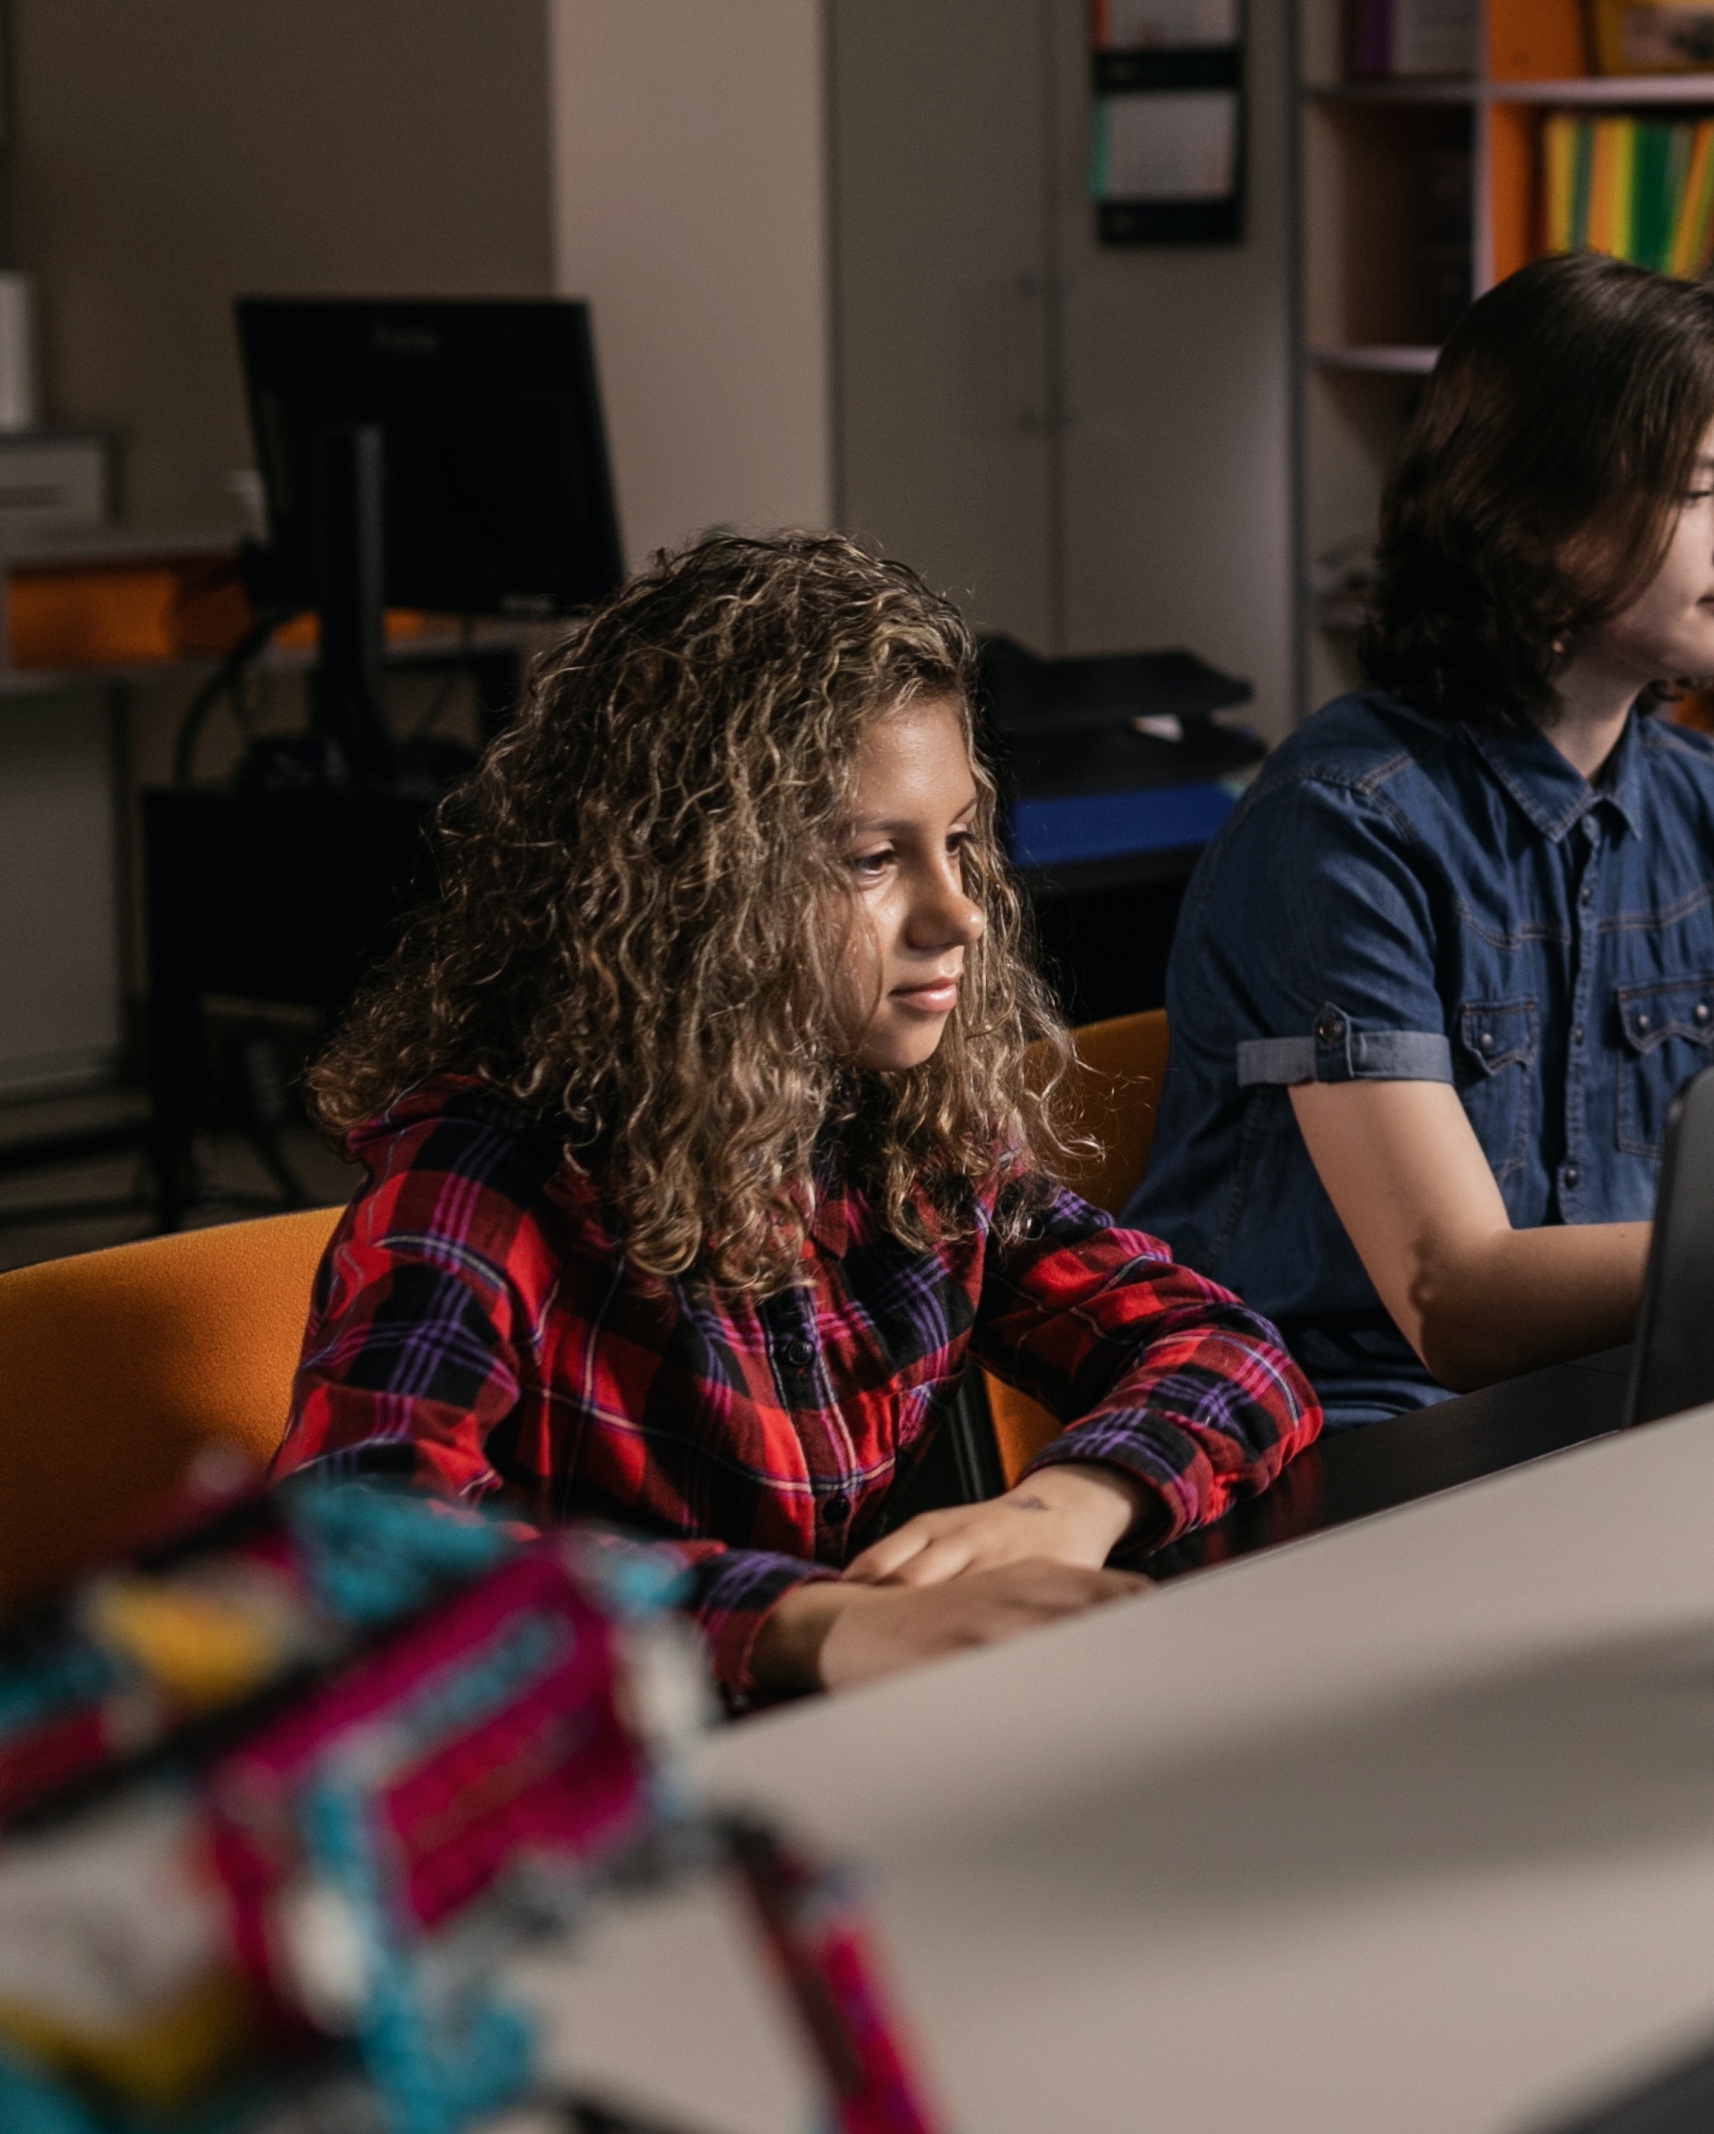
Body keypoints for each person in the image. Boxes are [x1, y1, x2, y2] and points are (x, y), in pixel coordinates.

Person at [275, 531, 1317, 1709]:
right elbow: (357, 1554)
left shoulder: (903, 1129)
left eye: (961, 844)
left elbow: (1231, 1350)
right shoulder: (486, 1171)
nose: (960, 914)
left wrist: (1065, 1502)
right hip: (581, 1786)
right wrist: (804, 1625)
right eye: (875, 858)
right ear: (693, 882)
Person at [1139, 253, 1714, 1425]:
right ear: (1534, 512)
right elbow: (1461, 1303)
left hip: (1622, 1405)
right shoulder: (1341, 828)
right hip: (1356, 1442)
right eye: (1702, 489)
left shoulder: (1711, 804)